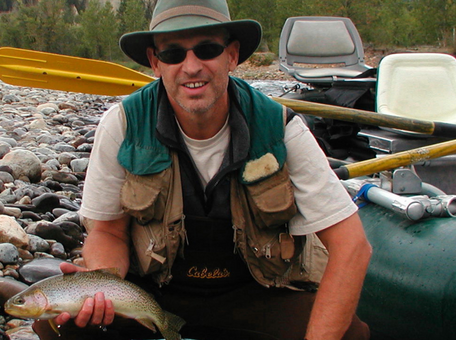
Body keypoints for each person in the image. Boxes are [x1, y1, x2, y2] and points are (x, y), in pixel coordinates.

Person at [33, 0, 373, 339]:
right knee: (55, 328)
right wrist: (101, 283)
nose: (191, 66)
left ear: (232, 55)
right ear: (155, 62)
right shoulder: (123, 125)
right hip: (153, 291)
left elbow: (352, 246)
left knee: (348, 334)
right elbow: (107, 232)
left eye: (207, 49)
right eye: (173, 54)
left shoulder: (280, 129)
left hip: (255, 294)